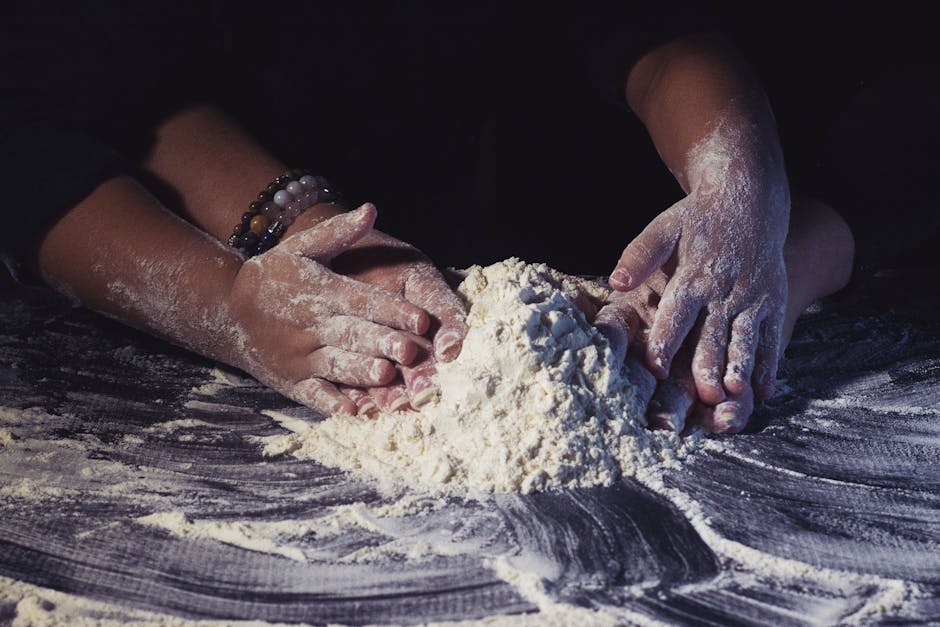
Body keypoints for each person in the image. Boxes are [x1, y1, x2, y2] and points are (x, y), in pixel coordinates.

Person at [1, 2, 857, 432]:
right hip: (164, 223)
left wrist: (740, 186)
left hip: (500, 210)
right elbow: (49, 131)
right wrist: (239, 295)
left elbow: (654, 35)